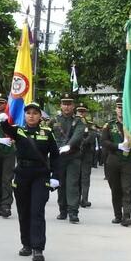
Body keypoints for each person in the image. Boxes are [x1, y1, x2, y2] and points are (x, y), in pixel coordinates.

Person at [0, 102, 59, 261]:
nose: (31, 115)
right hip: (22, 174)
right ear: (24, 115)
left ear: (40, 116)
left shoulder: (47, 132)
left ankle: (38, 248)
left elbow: (56, 155)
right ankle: (27, 244)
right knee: (23, 211)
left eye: (35, 113)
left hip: (40, 175)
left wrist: (56, 176)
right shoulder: (19, 130)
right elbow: (8, 130)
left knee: (37, 211)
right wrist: (3, 121)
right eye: (28, 113)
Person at [101, 98, 131, 226]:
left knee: (128, 188)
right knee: (115, 188)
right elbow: (103, 141)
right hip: (113, 159)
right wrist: (118, 146)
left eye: (123, 108)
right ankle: (118, 215)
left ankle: (126, 216)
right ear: (116, 109)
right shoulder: (109, 125)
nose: (121, 110)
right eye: (119, 107)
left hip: (128, 160)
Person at [50, 93, 85, 224]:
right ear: (61, 105)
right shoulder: (54, 120)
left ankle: (73, 212)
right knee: (61, 184)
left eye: (69, 104)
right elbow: (47, 134)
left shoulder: (79, 121)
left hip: (73, 156)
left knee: (72, 184)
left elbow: (78, 135)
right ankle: (62, 210)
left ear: (73, 106)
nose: (66, 106)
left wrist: (68, 146)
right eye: (64, 104)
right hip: (58, 157)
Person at [75, 103, 97, 208]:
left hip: (86, 153)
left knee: (85, 177)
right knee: (76, 177)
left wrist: (83, 142)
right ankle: (76, 198)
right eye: (79, 111)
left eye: (83, 111)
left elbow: (92, 136)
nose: (81, 113)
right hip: (75, 153)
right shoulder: (73, 123)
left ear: (86, 112)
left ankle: (84, 199)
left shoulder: (90, 124)